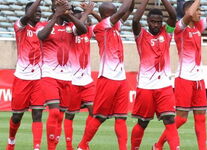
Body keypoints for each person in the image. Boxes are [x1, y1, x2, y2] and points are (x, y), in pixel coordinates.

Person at [154, 0, 207, 149]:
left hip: (199, 79)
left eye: (200, 10)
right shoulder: (179, 28)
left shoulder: (198, 27)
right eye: (198, 10)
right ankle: (158, 145)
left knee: (201, 118)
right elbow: (189, 13)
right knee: (181, 119)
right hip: (184, 79)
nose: (200, 13)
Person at [77, 0, 134, 150]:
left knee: (121, 117)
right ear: (109, 15)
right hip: (108, 78)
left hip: (121, 78)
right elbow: (123, 11)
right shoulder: (102, 27)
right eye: (114, 11)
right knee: (100, 116)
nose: (117, 13)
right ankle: (82, 146)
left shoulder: (113, 26)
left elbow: (129, 9)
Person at [36, 0, 87, 149]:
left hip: (67, 77)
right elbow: (41, 36)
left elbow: (83, 30)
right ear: (55, 8)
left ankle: (54, 145)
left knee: (60, 116)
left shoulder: (71, 27)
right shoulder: (43, 25)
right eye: (67, 8)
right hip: (49, 75)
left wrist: (69, 15)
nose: (69, 10)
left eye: (70, 8)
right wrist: (56, 14)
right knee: (54, 113)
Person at [130, 0, 179, 150]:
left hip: (164, 86)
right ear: (148, 21)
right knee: (143, 122)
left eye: (158, 22)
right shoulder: (141, 34)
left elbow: (173, 15)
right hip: (146, 86)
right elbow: (135, 20)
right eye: (152, 22)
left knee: (170, 119)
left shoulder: (167, 32)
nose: (156, 25)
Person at [6, 1, 43, 150]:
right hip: (22, 78)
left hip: (38, 79)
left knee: (38, 114)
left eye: (40, 11)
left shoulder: (41, 29)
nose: (38, 13)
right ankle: (11, 142)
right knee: (17, 116)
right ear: (28, 13)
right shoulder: (19, 27)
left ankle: (37, 147)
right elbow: (27, 15)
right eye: (36, 11)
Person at [63, 2, 96, 150]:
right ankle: (69, 146)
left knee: (94, 112)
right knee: (70, 115)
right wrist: (86, 13)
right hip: (73, 81)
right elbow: (78, 26)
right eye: (78, 16)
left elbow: (105, 23)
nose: (82, 18)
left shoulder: (88, 31)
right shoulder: (69, 30)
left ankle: (84, 144)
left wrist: (91, 12)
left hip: (87, 80)